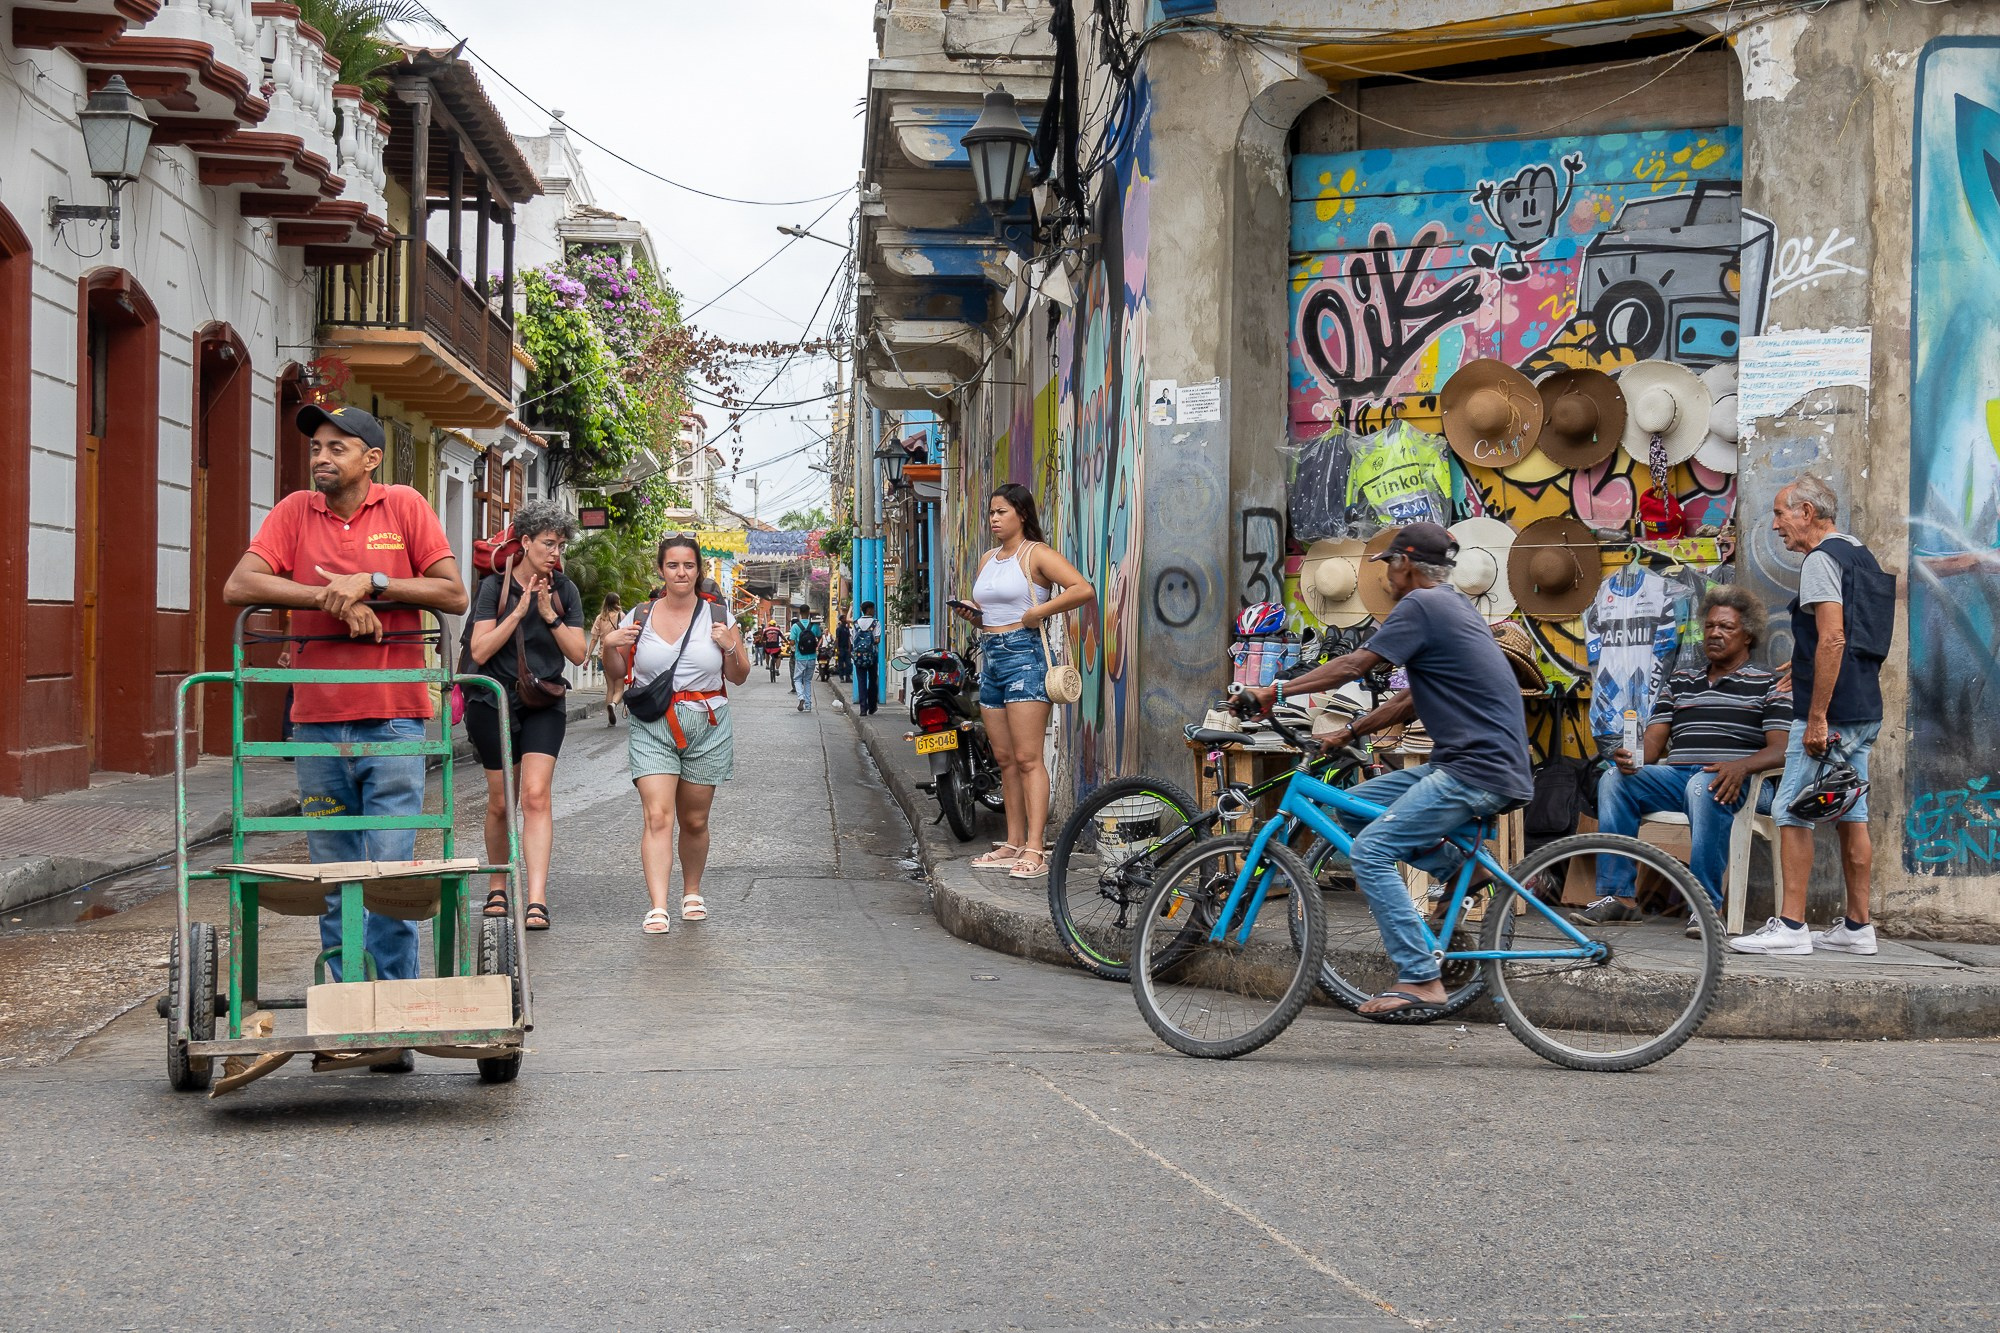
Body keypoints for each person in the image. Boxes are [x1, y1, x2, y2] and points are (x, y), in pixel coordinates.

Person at [224, 404, 468, 1070]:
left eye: (338, 446)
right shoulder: (294, 511)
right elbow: (239, 584)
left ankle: (389, 1026)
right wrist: (329, 598)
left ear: (371, 458)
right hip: (317, 725)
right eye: (317, 447)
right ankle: (345, 1019)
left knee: (386, 875)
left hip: (394, 721)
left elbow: (453, 592)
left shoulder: (407, 507)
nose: (322, 456)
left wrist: (378, 583)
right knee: (337, 878)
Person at [1241, 522, 1533, 1017]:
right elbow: (1410, 698)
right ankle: (1464, 869)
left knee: (1373, 850)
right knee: (1357, 812)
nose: (1387, 578)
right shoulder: (1453, 605)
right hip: (1472, 765)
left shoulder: (1423, 605)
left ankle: (1421, 977)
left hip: (1474, 771)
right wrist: (1350, 733)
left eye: (1390, 567)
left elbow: (1355, 665)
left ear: (1406, 564)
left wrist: (1276, 690)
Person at [1731, 476, 1891, 956]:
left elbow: (1834, 638)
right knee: (1852, 813)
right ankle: (1858, 928)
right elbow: (1852, 635)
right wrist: (1801, 666)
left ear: (1806, 511)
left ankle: (1792, 927)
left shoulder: (1821, 560)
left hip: (1833, 714)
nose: (1776, 525)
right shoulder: (1859, 553)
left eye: (1780, 514)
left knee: (1790, 812)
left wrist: (1816, 715)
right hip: (1864, 707)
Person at [1570, 587, 1790, 936]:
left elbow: (1781, 749)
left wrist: (1741, 766)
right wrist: (1634, 756)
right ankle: (1619, 898)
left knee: (1706, 784)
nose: (1715, 633)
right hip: (1681, 778)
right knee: (1615, 779)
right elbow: (1654, 744)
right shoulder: (1682, 680)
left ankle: (1705, 906)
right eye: (1710, 626)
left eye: (1726, 628)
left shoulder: (1769, 683)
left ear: (1747, 635)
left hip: (1742, 783)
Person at [599, 536, 751, 933]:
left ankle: (692, 891)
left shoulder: (718, 615)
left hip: (708, 724)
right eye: (672, 566)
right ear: (661, 570)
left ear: (698, 569)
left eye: (688, 565)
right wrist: (608, 646)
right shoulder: (641, 614)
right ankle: (657, 905)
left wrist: (728, 645)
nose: (681, 573)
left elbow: (739, 675)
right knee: (657, 815)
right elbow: (617, 673)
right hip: (653, 724)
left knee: (695, 819)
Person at [948, 484, 1095, 879]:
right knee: (1005, 759)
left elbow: (1083, 589)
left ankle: (1036, 848)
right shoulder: (987, 559)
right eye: (991, 512)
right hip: (991, 658)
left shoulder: (1037, 554)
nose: (994, 519)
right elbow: (989, 611)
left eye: (1002, 512)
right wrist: (973, 616)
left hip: (1026, 658)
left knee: (1030, 759)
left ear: (1022, 515)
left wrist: (1038, 613)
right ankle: (1012, 844)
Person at [463, 501, 587, 933]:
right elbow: (478, 651)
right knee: (502, 801)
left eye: (560, 544)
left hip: (544, 700)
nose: (554, 551)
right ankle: (498, 884)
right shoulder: (492, 589)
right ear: (526, 542)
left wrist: (549, 613)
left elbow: (578, 653)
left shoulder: (565, 590)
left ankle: (536, 897)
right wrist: (518, 610)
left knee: (535, 795)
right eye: (547, 543)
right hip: (492, 701)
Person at [588, 593, 626, 725]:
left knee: (610, 687)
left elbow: (593, 639)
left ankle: (610, 720)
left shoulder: (600, 618)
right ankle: (614, 705)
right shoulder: (621, 616)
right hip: (618, 655)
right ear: (617, 602)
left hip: (603, 656)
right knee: (619, 688)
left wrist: (587, 658)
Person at [852, 601, 882, 716]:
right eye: (873, 609)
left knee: (861, 681)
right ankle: (872, 706)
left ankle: (863, 709)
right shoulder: (875, 623)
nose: (874, 611)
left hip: (859, 656)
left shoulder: (855, 623)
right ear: (869, 609)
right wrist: (870, 643)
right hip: (872, 656)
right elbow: (877, 640)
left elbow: (853, 639)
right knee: (873, 680)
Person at [790, 606, 822, 712]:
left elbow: (792, 642)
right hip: (812, 657)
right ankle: (808, 705)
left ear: (800, 612)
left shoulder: (795, 626)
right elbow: (819, 636)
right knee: (807, 680)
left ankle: (801, 697)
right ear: (809, 612)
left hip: (800, 657)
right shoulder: (814, 625)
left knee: (797, 679)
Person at [835, 614, 853, 682]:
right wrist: (837, 649)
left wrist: (849, 647)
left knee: (849, 664)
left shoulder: (846, 629)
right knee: (841, 664)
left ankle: (848, 677)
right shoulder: (839, 629)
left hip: (846, 649)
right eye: (845, 618)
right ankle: (841, 677)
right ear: (841, 619)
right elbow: (837, 639)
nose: (846, 619)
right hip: (841, 648)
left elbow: (848, 639)